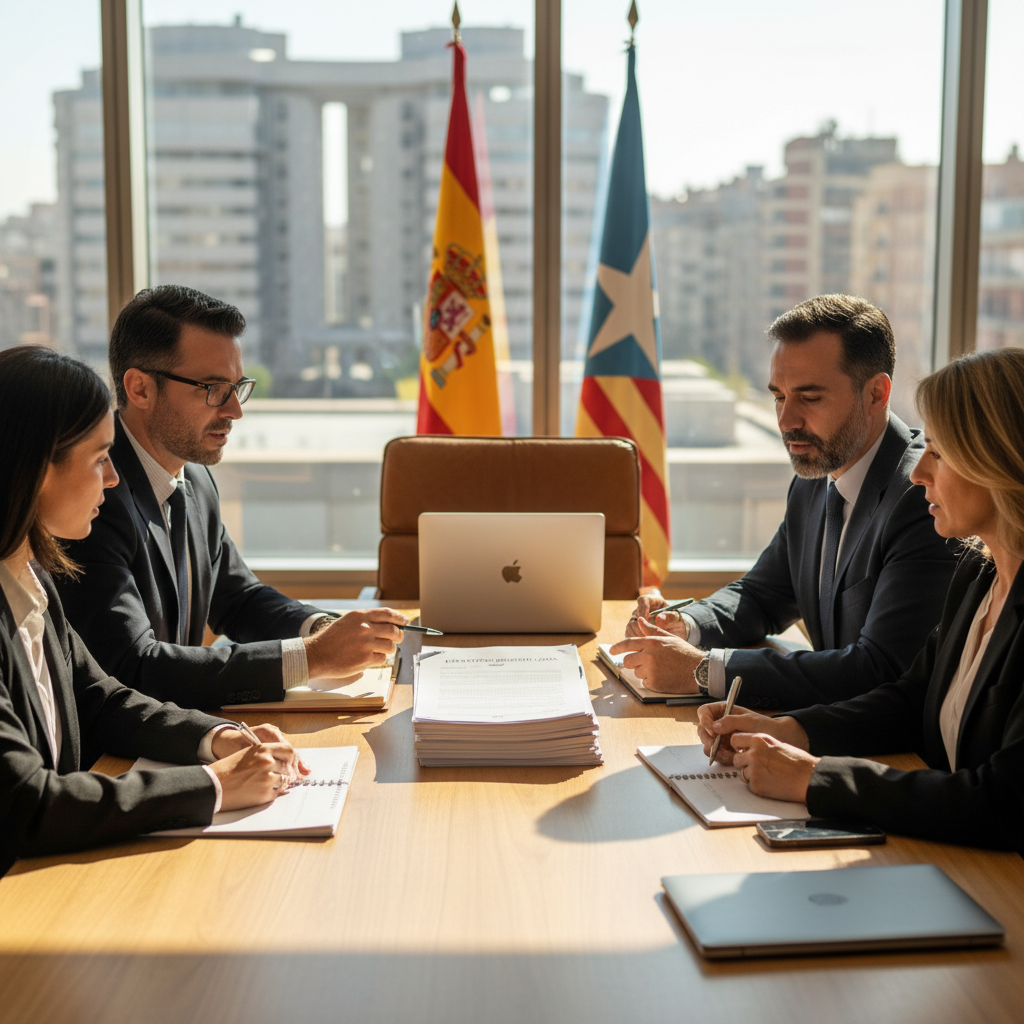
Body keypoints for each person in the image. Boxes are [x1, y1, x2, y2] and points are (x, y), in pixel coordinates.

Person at [697, 347, 1024, 850]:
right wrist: (789, 730)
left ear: (998, 458)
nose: (918, 474)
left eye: (938, 452)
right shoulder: (979, 575)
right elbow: (910, 699)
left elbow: (1002, 802)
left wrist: (815, 777)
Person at [0, 345, 309, 877]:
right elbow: (27, 803)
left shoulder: (32, 576)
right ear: (35, 469)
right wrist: (214, 786)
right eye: (100, 460)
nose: (115, 479)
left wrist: (215, 737)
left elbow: (98, 699)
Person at [54, 285, 408, 710]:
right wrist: (311, 658)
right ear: (140, 388)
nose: (235, 411)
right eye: (213, 389)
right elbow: (132, 666)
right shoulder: (90, 497)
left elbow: (237, 600)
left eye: (238, 387)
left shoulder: (196, 478)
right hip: (113, 759)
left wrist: (325, 629)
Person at [612, 294, 957, 709]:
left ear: (876, 394)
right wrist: (684, 624)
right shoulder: (816, 477)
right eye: (779, 396)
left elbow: (879, 669)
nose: (786, 421)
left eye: (809, 398)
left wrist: (703, 670)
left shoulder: (924, 496)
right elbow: (762, 594)